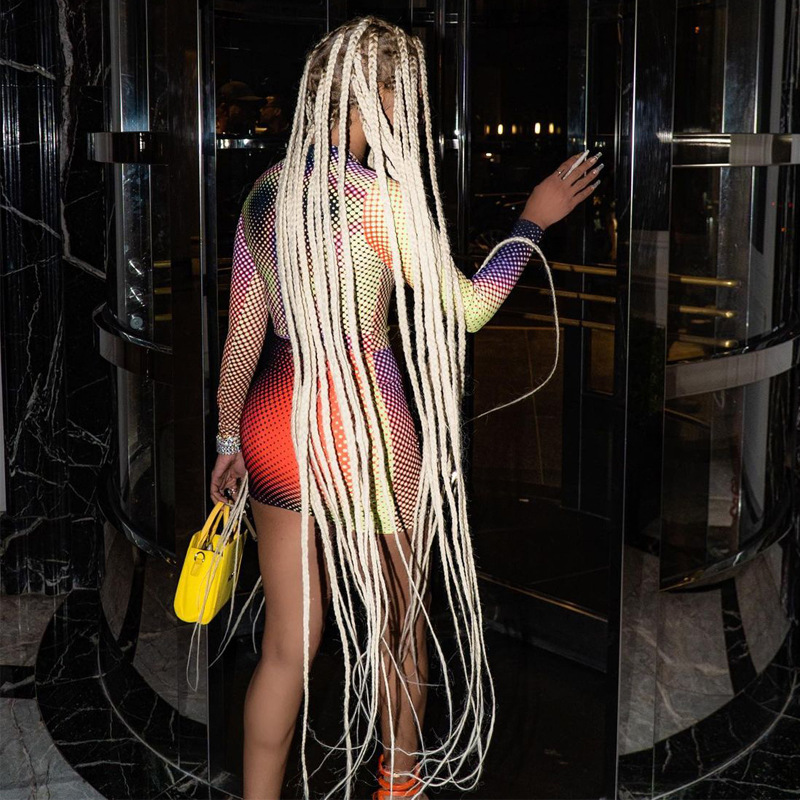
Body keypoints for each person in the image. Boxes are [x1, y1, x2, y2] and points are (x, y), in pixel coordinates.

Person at [209, 15, 601, 800]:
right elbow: (471, 307)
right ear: (375, 97)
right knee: (400, 625)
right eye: (402, 96)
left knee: (287, 646)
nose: (408, 112)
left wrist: (226, 440)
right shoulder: (379, 202)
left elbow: (243, 334)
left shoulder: (265, 194)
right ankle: (400, 784)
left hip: (275, 422)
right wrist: (533, 220)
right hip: (368, 427)